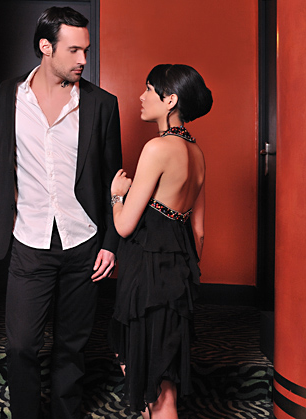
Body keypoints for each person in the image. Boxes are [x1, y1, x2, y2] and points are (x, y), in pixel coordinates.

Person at [0, 7, 122, 418]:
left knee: (72, 347)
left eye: (86, 50)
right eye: (73, 50)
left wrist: (110, 244)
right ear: (45, 47)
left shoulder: (102, 104)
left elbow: (114, 181)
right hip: (28, 240)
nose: (83, 59)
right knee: (21, 346)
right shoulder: (9, 94)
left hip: (84, 243)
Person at [108, 64, 212, 419]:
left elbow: (124, 226)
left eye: (149, 89)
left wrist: (117, 195)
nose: (141, 96)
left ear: (170, 100)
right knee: (160, 378)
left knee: (153, 384)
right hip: (177, 277)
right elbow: (199, 232)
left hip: (146, 275)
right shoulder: (197, 153)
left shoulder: (156, 148)